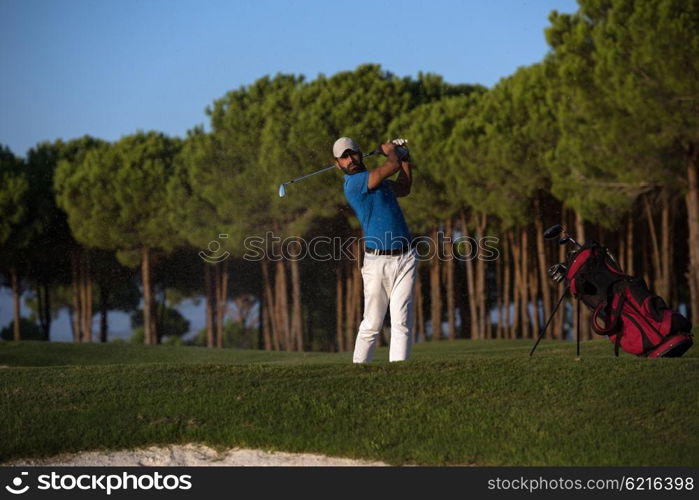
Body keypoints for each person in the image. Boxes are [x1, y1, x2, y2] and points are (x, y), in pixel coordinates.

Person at [333, 136, 417, 363]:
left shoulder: (378, 182)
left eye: (352, 154)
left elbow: (405, 186)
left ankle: (399, 373)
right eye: (344, 157)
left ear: (360, 154)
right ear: (338, 164)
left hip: (406, 256)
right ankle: (359, 371)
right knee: (372, 323)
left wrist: (405, 156)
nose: (350, 159)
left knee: (402, 321)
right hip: (377, 263)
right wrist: (391, 151)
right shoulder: (354, 184)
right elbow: (391, 166)